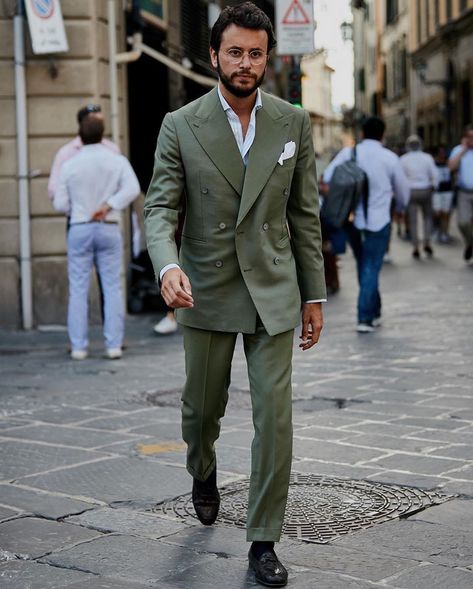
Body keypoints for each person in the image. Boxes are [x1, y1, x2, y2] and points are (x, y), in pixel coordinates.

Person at [144, 3, 326, 586]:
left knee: (275, 417)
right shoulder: (181, 123)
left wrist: (314, 294)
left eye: (255, 53)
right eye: (234, 52)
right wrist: (168, 266)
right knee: (201, 411)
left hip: (274, 288)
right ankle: (202, 468)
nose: (245, 63)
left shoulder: (291, 122)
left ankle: (264, 538)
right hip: (205, 289)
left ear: (267, 59)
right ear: (215, 55)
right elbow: (159, 208)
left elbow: (305, 214)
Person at [53, 116, 140, 360]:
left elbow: (60, 203)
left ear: (80, 136)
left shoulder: (70, 164)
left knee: (78, 289)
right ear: (103, 135)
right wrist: (109, 204)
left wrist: (78, 208)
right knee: (112, 286)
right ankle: (113, 345)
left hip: (80, 226)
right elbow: (132, 188)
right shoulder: (117, 161)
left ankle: (79, 347)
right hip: (107, 225)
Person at [323, 117, 409, 333]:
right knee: (371, 266)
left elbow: (327, 177)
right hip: (379, 221)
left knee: (365, 264)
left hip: (352, 220)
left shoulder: (349, 154)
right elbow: (403, 191)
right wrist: (400, 207)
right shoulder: (389, 158)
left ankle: (376, 310)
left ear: (361, 133)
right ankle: (365, 316)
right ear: (383, 134)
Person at [400, 135, 439, 259]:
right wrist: (433, 186)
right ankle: (427, 241)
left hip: (411, 191)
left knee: (413, 220)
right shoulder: (427, 158)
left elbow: (400, 178)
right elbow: (435, 174)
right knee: (427, 217)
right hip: (425, 189)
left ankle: (416, 246)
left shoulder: (403, 159)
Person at [448, 124, 473, 261]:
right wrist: (463, 150)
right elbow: (451, 167)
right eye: (470, 137)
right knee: (463, 223)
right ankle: (470, 242)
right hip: (464, 191)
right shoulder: (458, 150)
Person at [432, 145, 454, 243]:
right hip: (437, 191)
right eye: (440, 152)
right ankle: (437, 229)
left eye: (443, 152)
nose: (442, 154)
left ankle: (444, 232)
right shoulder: (432, 163)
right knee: (437, 213)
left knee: (446, 213)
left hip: (447, 190)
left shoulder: (449, 163)